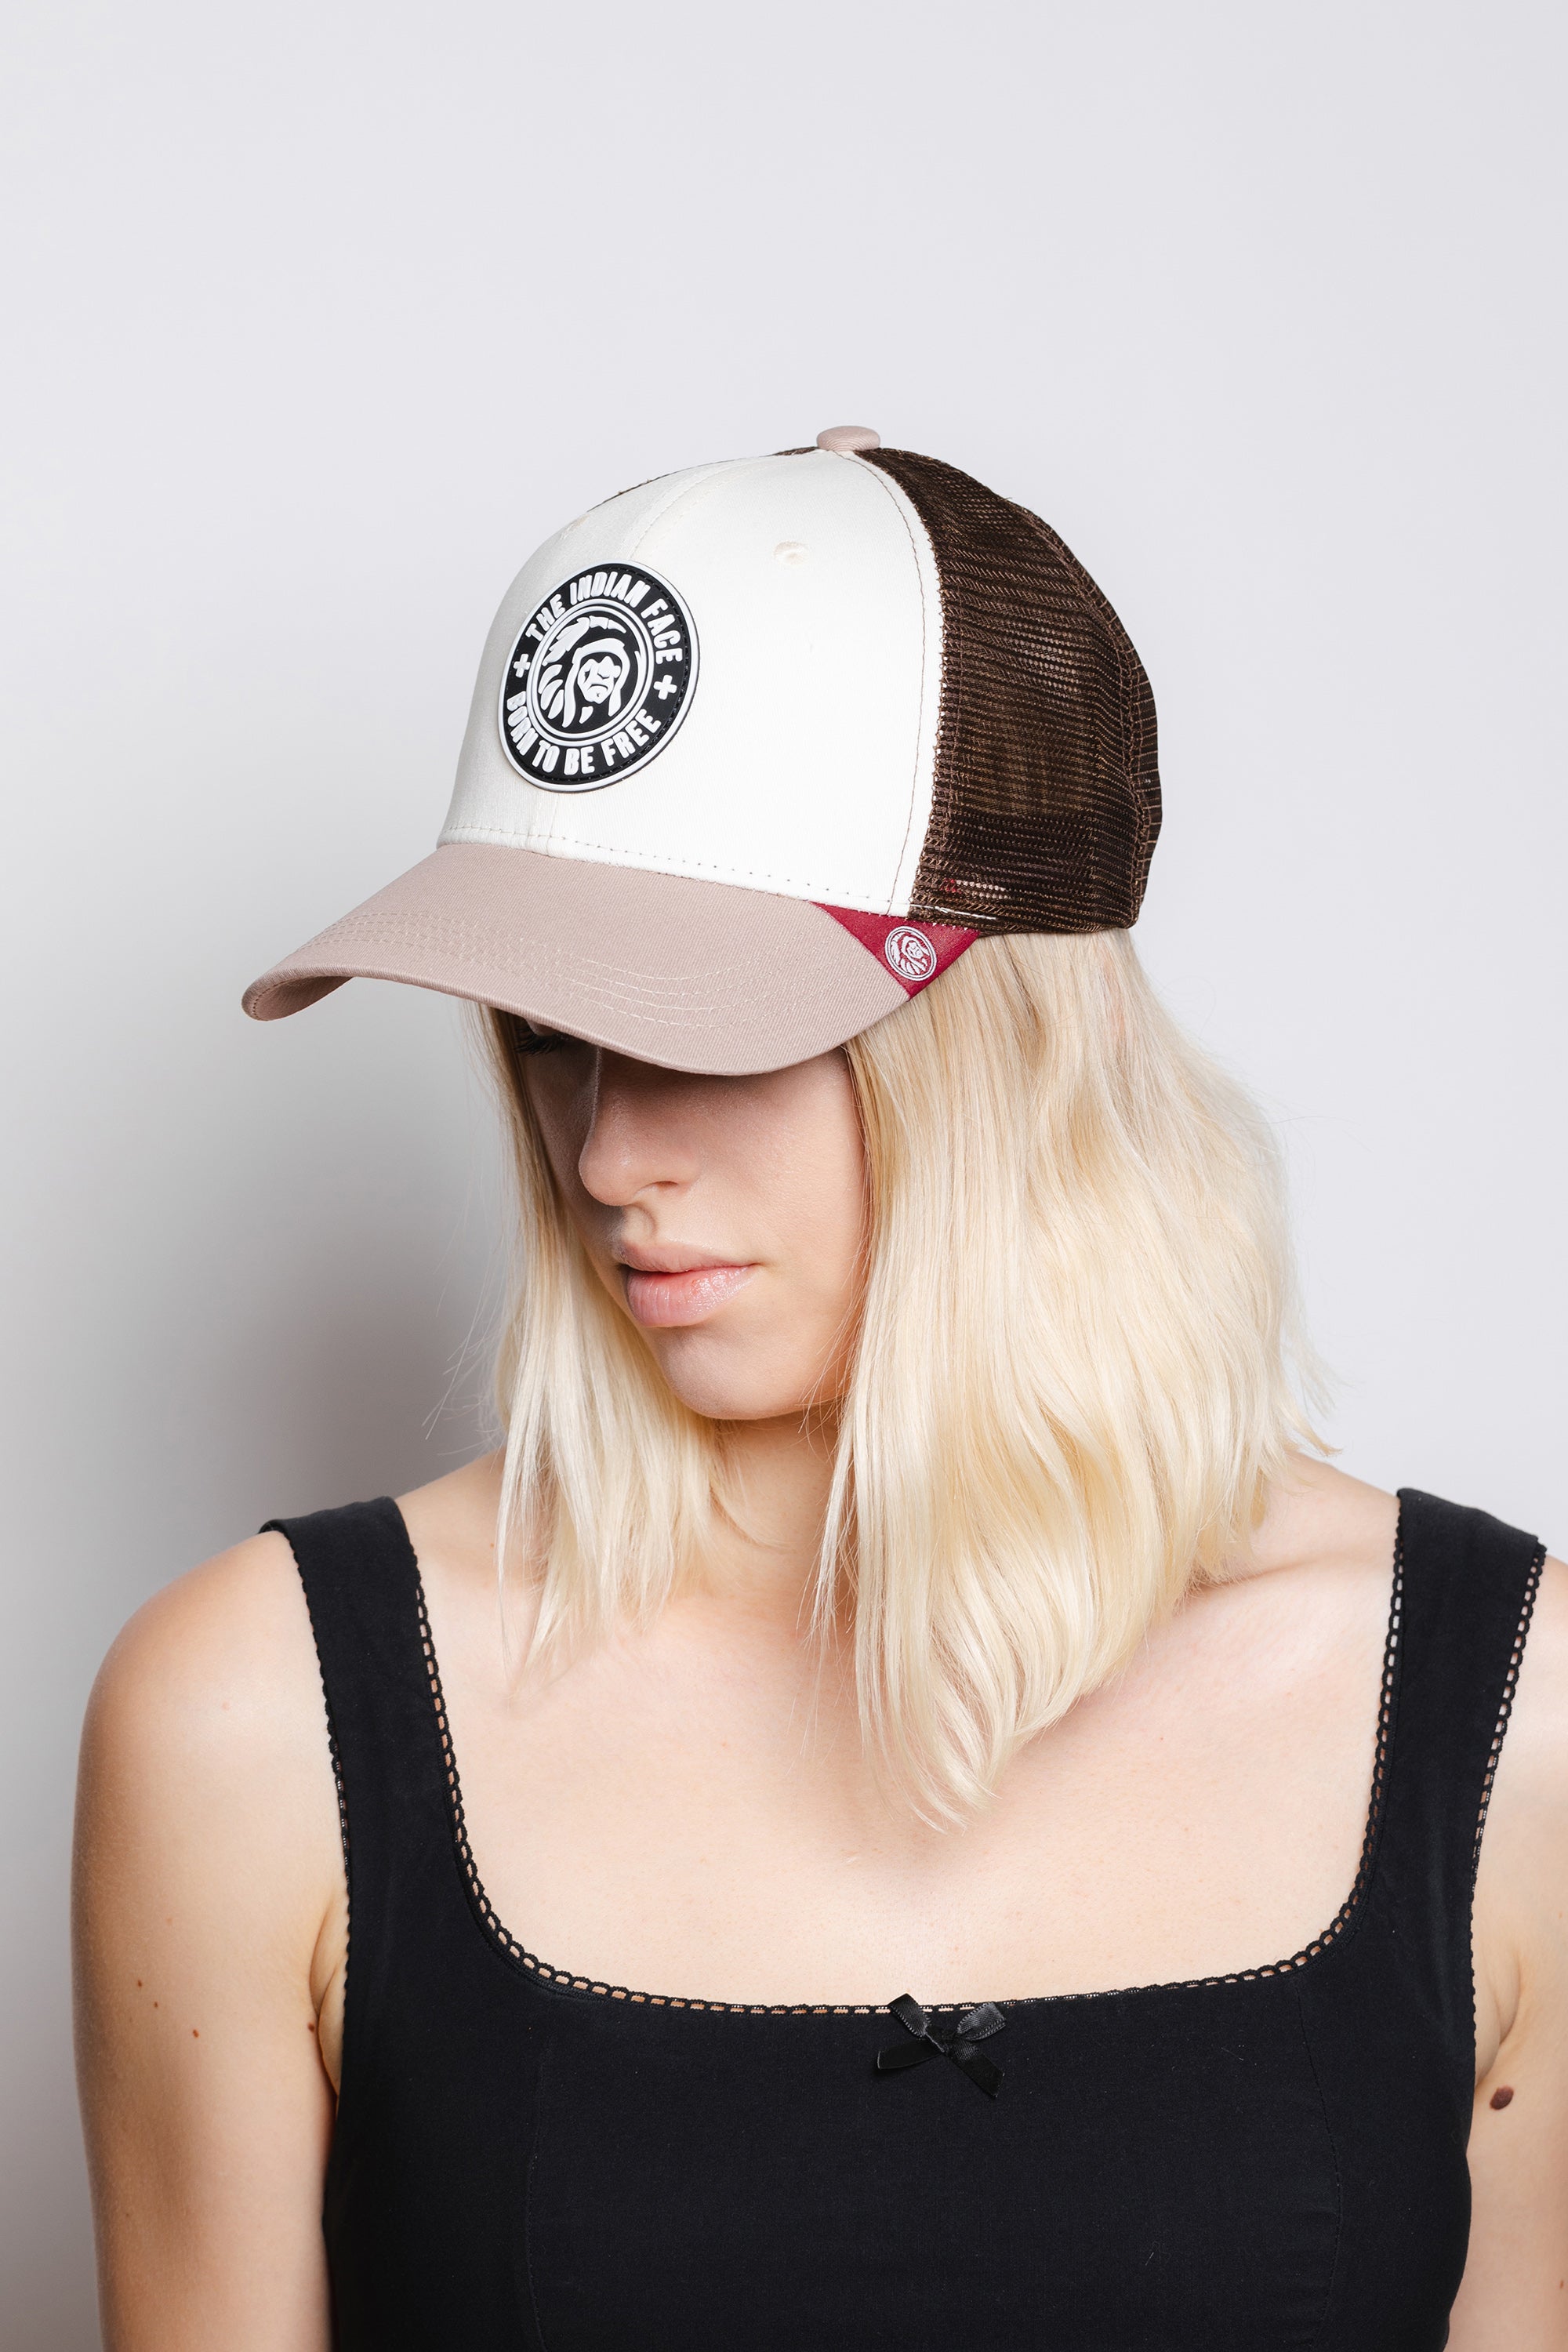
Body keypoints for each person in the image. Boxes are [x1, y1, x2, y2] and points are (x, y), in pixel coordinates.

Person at [73, 426, 1568, 2351]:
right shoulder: (253, 1719)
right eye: (544, 1028)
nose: (604, 1155)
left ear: (1003, 1022)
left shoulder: (1510, 1724)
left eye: (700, 1030)